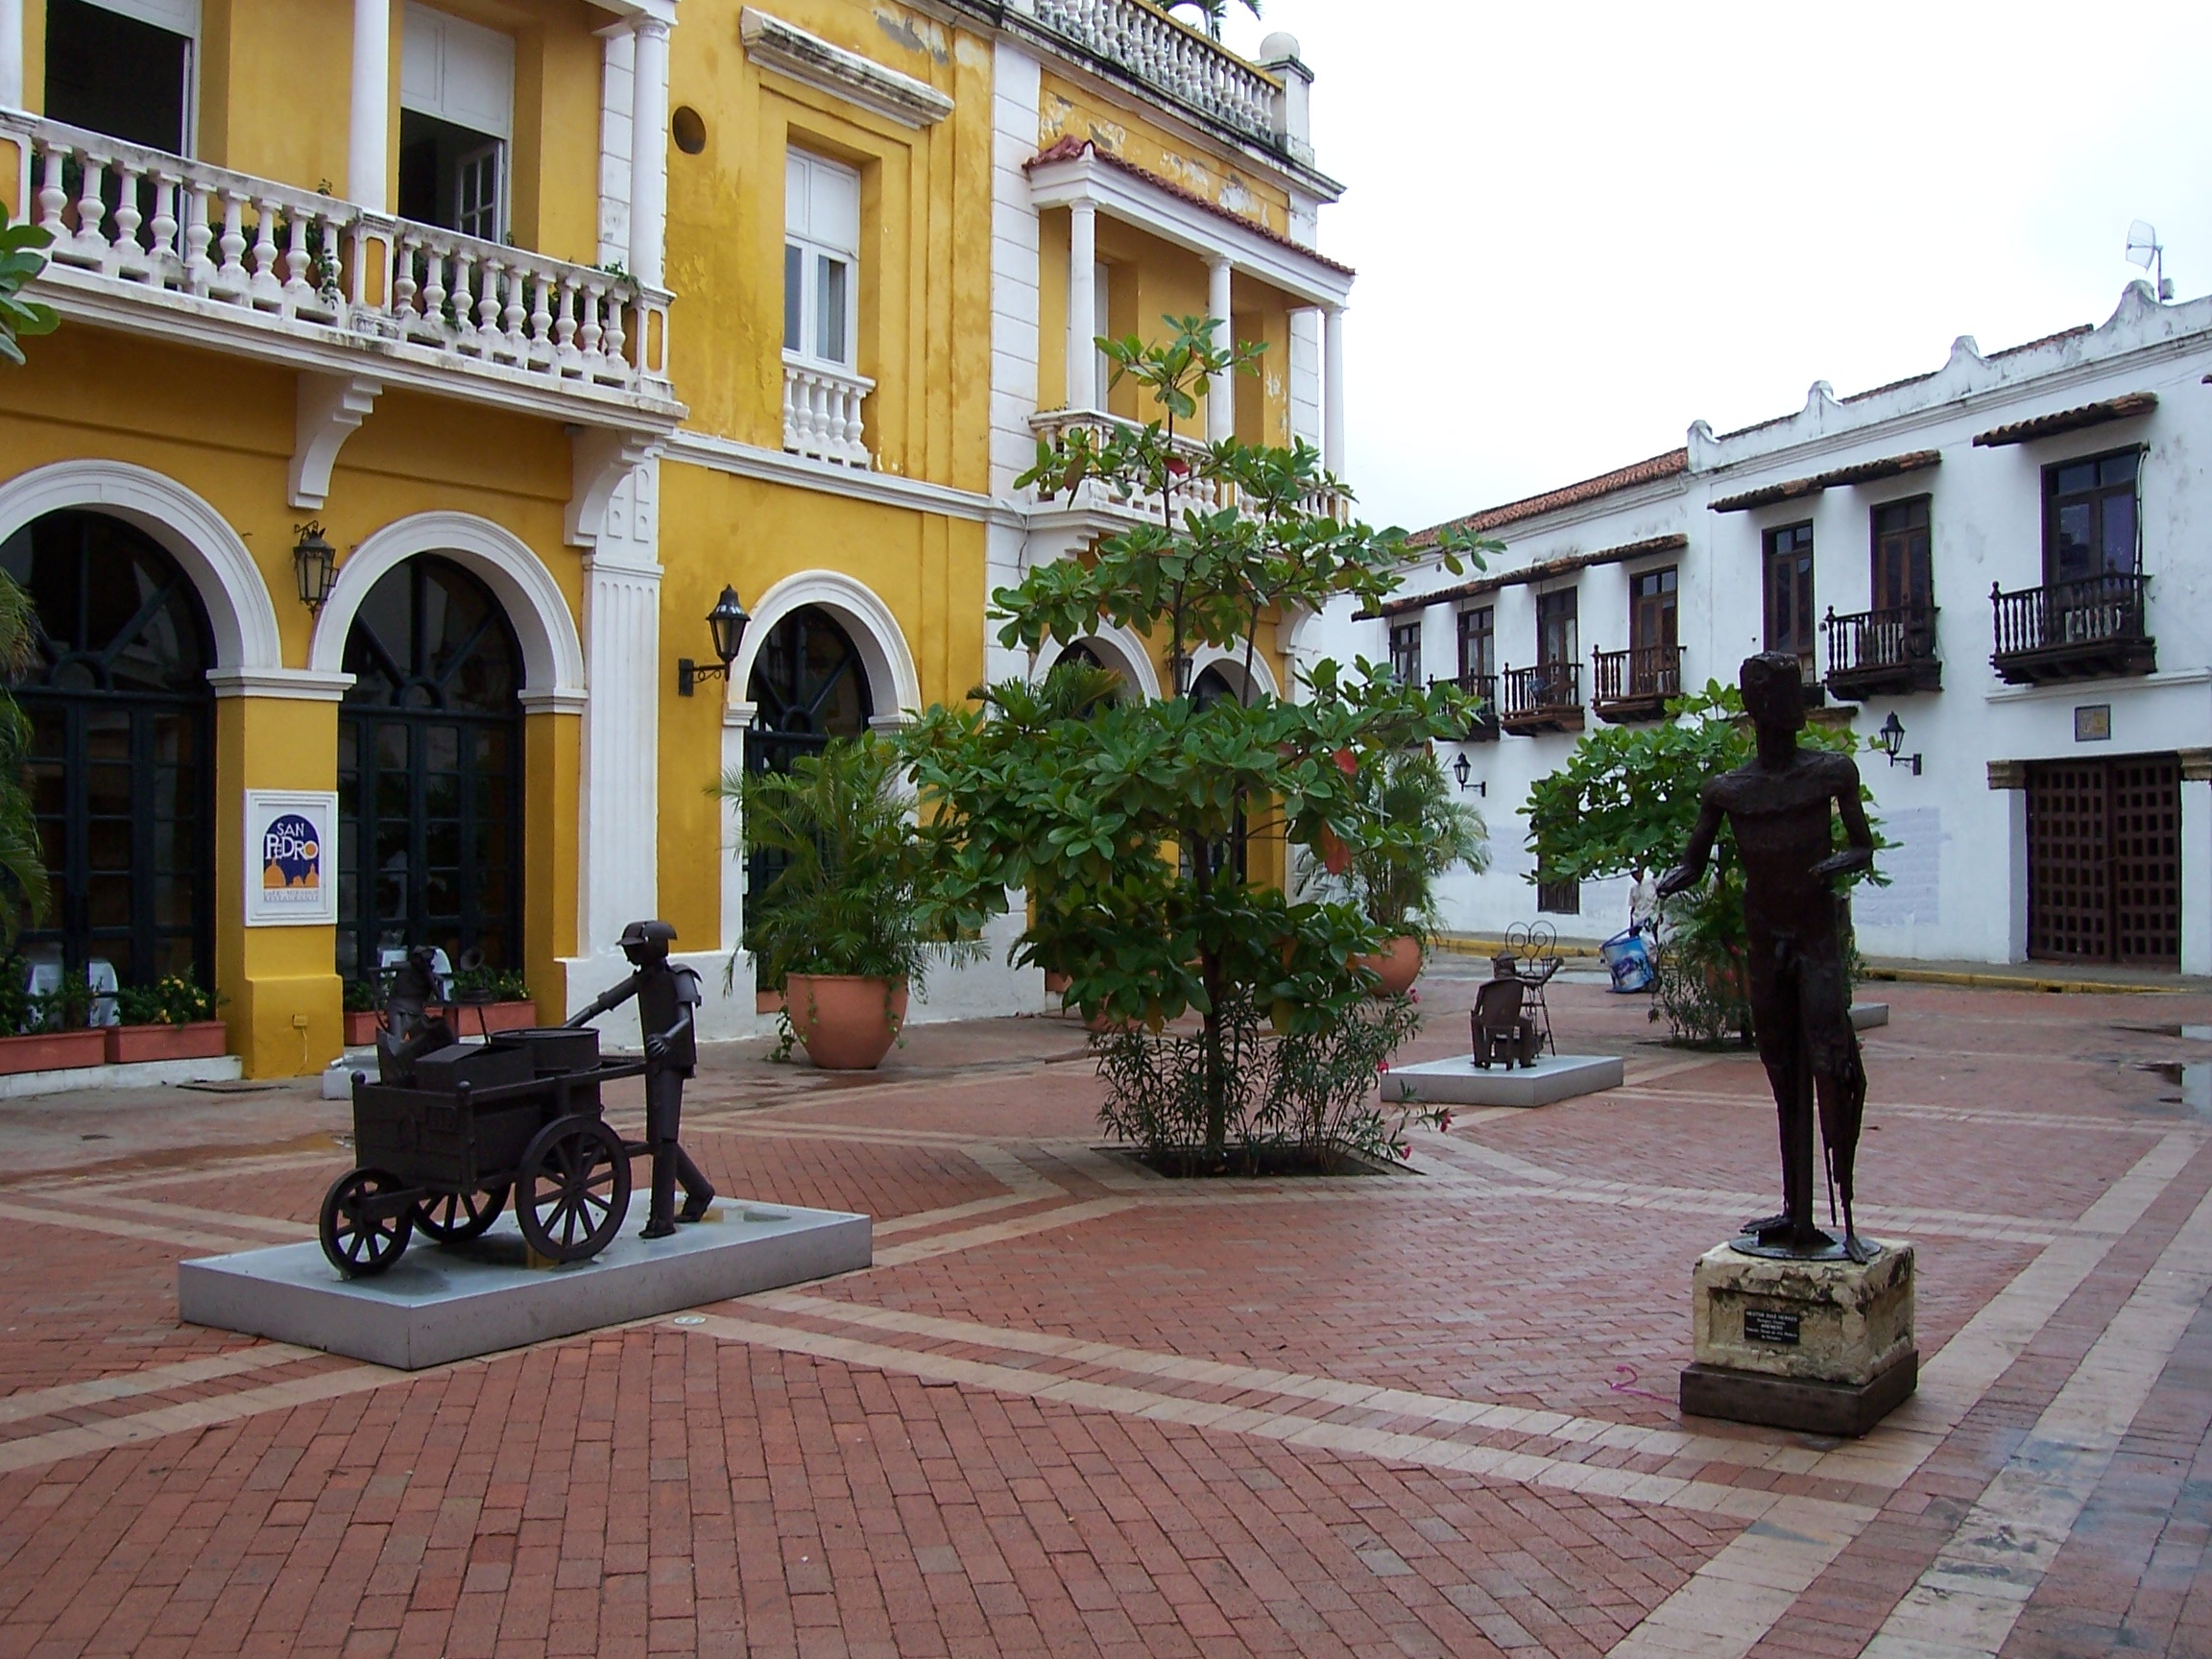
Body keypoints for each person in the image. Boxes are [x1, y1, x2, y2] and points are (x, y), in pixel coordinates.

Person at [1657, 653, 1876, 1262]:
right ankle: (1794, 1209)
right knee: (1781, 1067)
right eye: (1769, 698)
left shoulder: (1831, 774)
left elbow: (1862, 847)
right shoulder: (1728, 790)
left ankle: (1846, 1210)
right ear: (1756, 710)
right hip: (1765, 935)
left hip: (1814, 935)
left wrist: (1840, 863)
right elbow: (1695, 858)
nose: (1782, 710)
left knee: (1833, 1059)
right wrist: (1678, 876)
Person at [565, 920, 715, 1238]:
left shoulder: (680, 976)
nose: (630, 957)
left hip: (672, 1060)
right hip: (656, 1060)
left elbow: (686, 1018)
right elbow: (602, 1005)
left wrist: (667, 1038)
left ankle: (662, 1219)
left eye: (635, 950)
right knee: (659, 1135)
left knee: (663, 1138)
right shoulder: (644, 979)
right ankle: (700, 1191)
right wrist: (567, 1028)